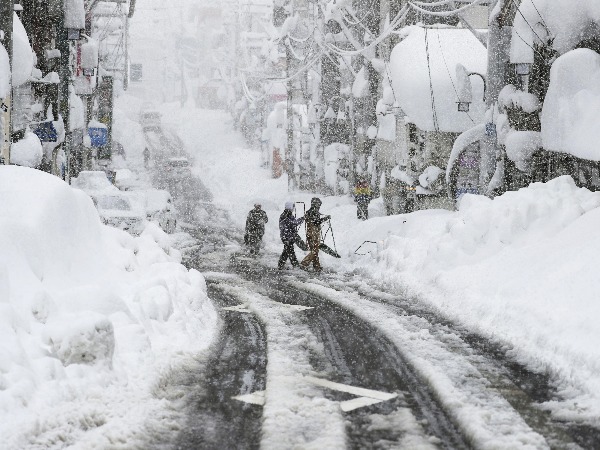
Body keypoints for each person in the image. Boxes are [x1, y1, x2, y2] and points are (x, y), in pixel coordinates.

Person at [300, 197, 330, 273]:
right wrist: (325, 218)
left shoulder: (309, 212)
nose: (319, 207)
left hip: (309, 234)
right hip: (314, 234)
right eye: (319, 205)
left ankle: (316, 266)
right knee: (315, 250)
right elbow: (316, 222)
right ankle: (304, 263)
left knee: (314, 250)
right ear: (316, 204)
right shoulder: (314, 213)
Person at [278, 202, 304, 270]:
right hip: (286, 237)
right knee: (290, 251)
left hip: (289, 237)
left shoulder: (289, 215)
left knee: (286, 252)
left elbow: (294, 222)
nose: (293, 209)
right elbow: (294, 223)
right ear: (290, 208)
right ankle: (296, 266)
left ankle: (280, 265)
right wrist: (302, 219)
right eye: (292, 207)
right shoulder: (285, 216)